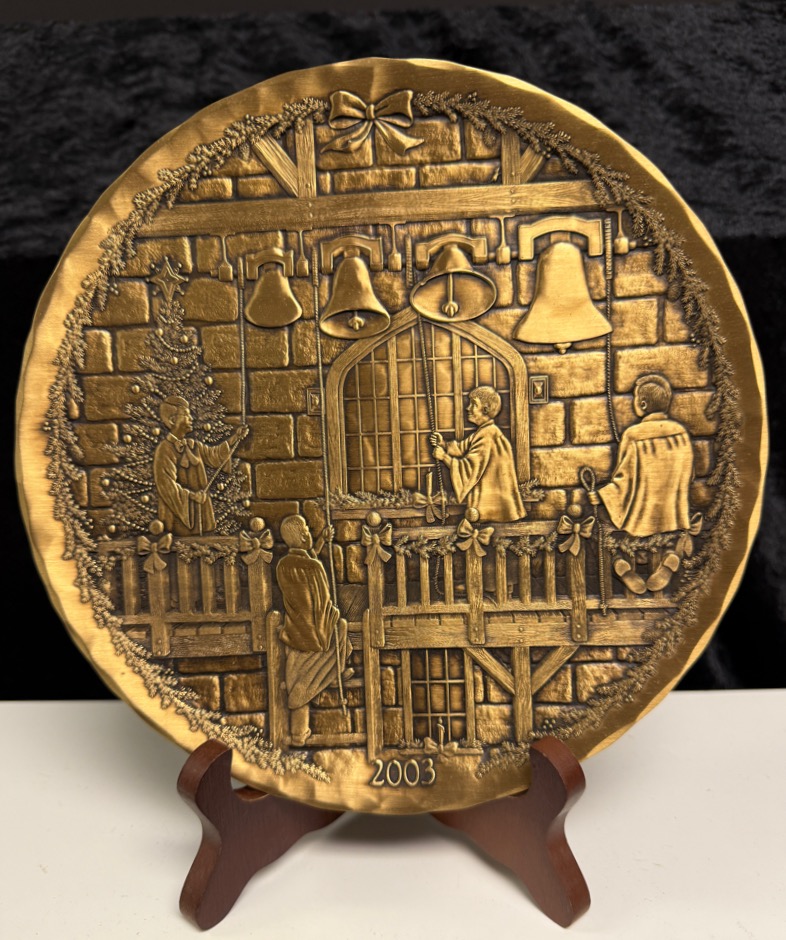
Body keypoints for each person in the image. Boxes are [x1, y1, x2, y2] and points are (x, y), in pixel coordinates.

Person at [590, 373, 694, 592]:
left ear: (643, 404)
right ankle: (672, 555)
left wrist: (601, 495)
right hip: (673, 513)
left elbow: (623, 479)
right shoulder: (681, 433)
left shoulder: (634, 435)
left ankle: (619, 562)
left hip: (642, 516)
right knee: (675, 533)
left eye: (635, 398)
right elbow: (690, 474)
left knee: (598, 524)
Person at [275, 515, 352, 747]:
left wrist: (320, 542)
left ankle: (334, 673)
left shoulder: (282, 566)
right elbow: (322, 602)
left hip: (295, 630)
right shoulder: (315, 567)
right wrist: (333, 614)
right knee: (341, 626)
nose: (310, 532)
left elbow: (303, 569)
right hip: (316, 633)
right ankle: (335, 672)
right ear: (301, 536)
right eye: (308, 530)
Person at [153, 396, 248, 536]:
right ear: (173, 420)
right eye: (186, 415)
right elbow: (166, 485)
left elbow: (215, 455)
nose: (191, 418)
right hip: (178, 517)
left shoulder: (193, 445)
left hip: (201, 512)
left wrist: (235, 437)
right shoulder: (164, 450)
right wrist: (192, 496)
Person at [430, 386, 525, 522]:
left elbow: (470, 467)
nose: (468, 408)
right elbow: (462, 448)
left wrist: (444, 457)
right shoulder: (486, 431)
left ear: (485, 409)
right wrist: (444, 444)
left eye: (474, 404)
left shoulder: (487, 435)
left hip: (491, 510)